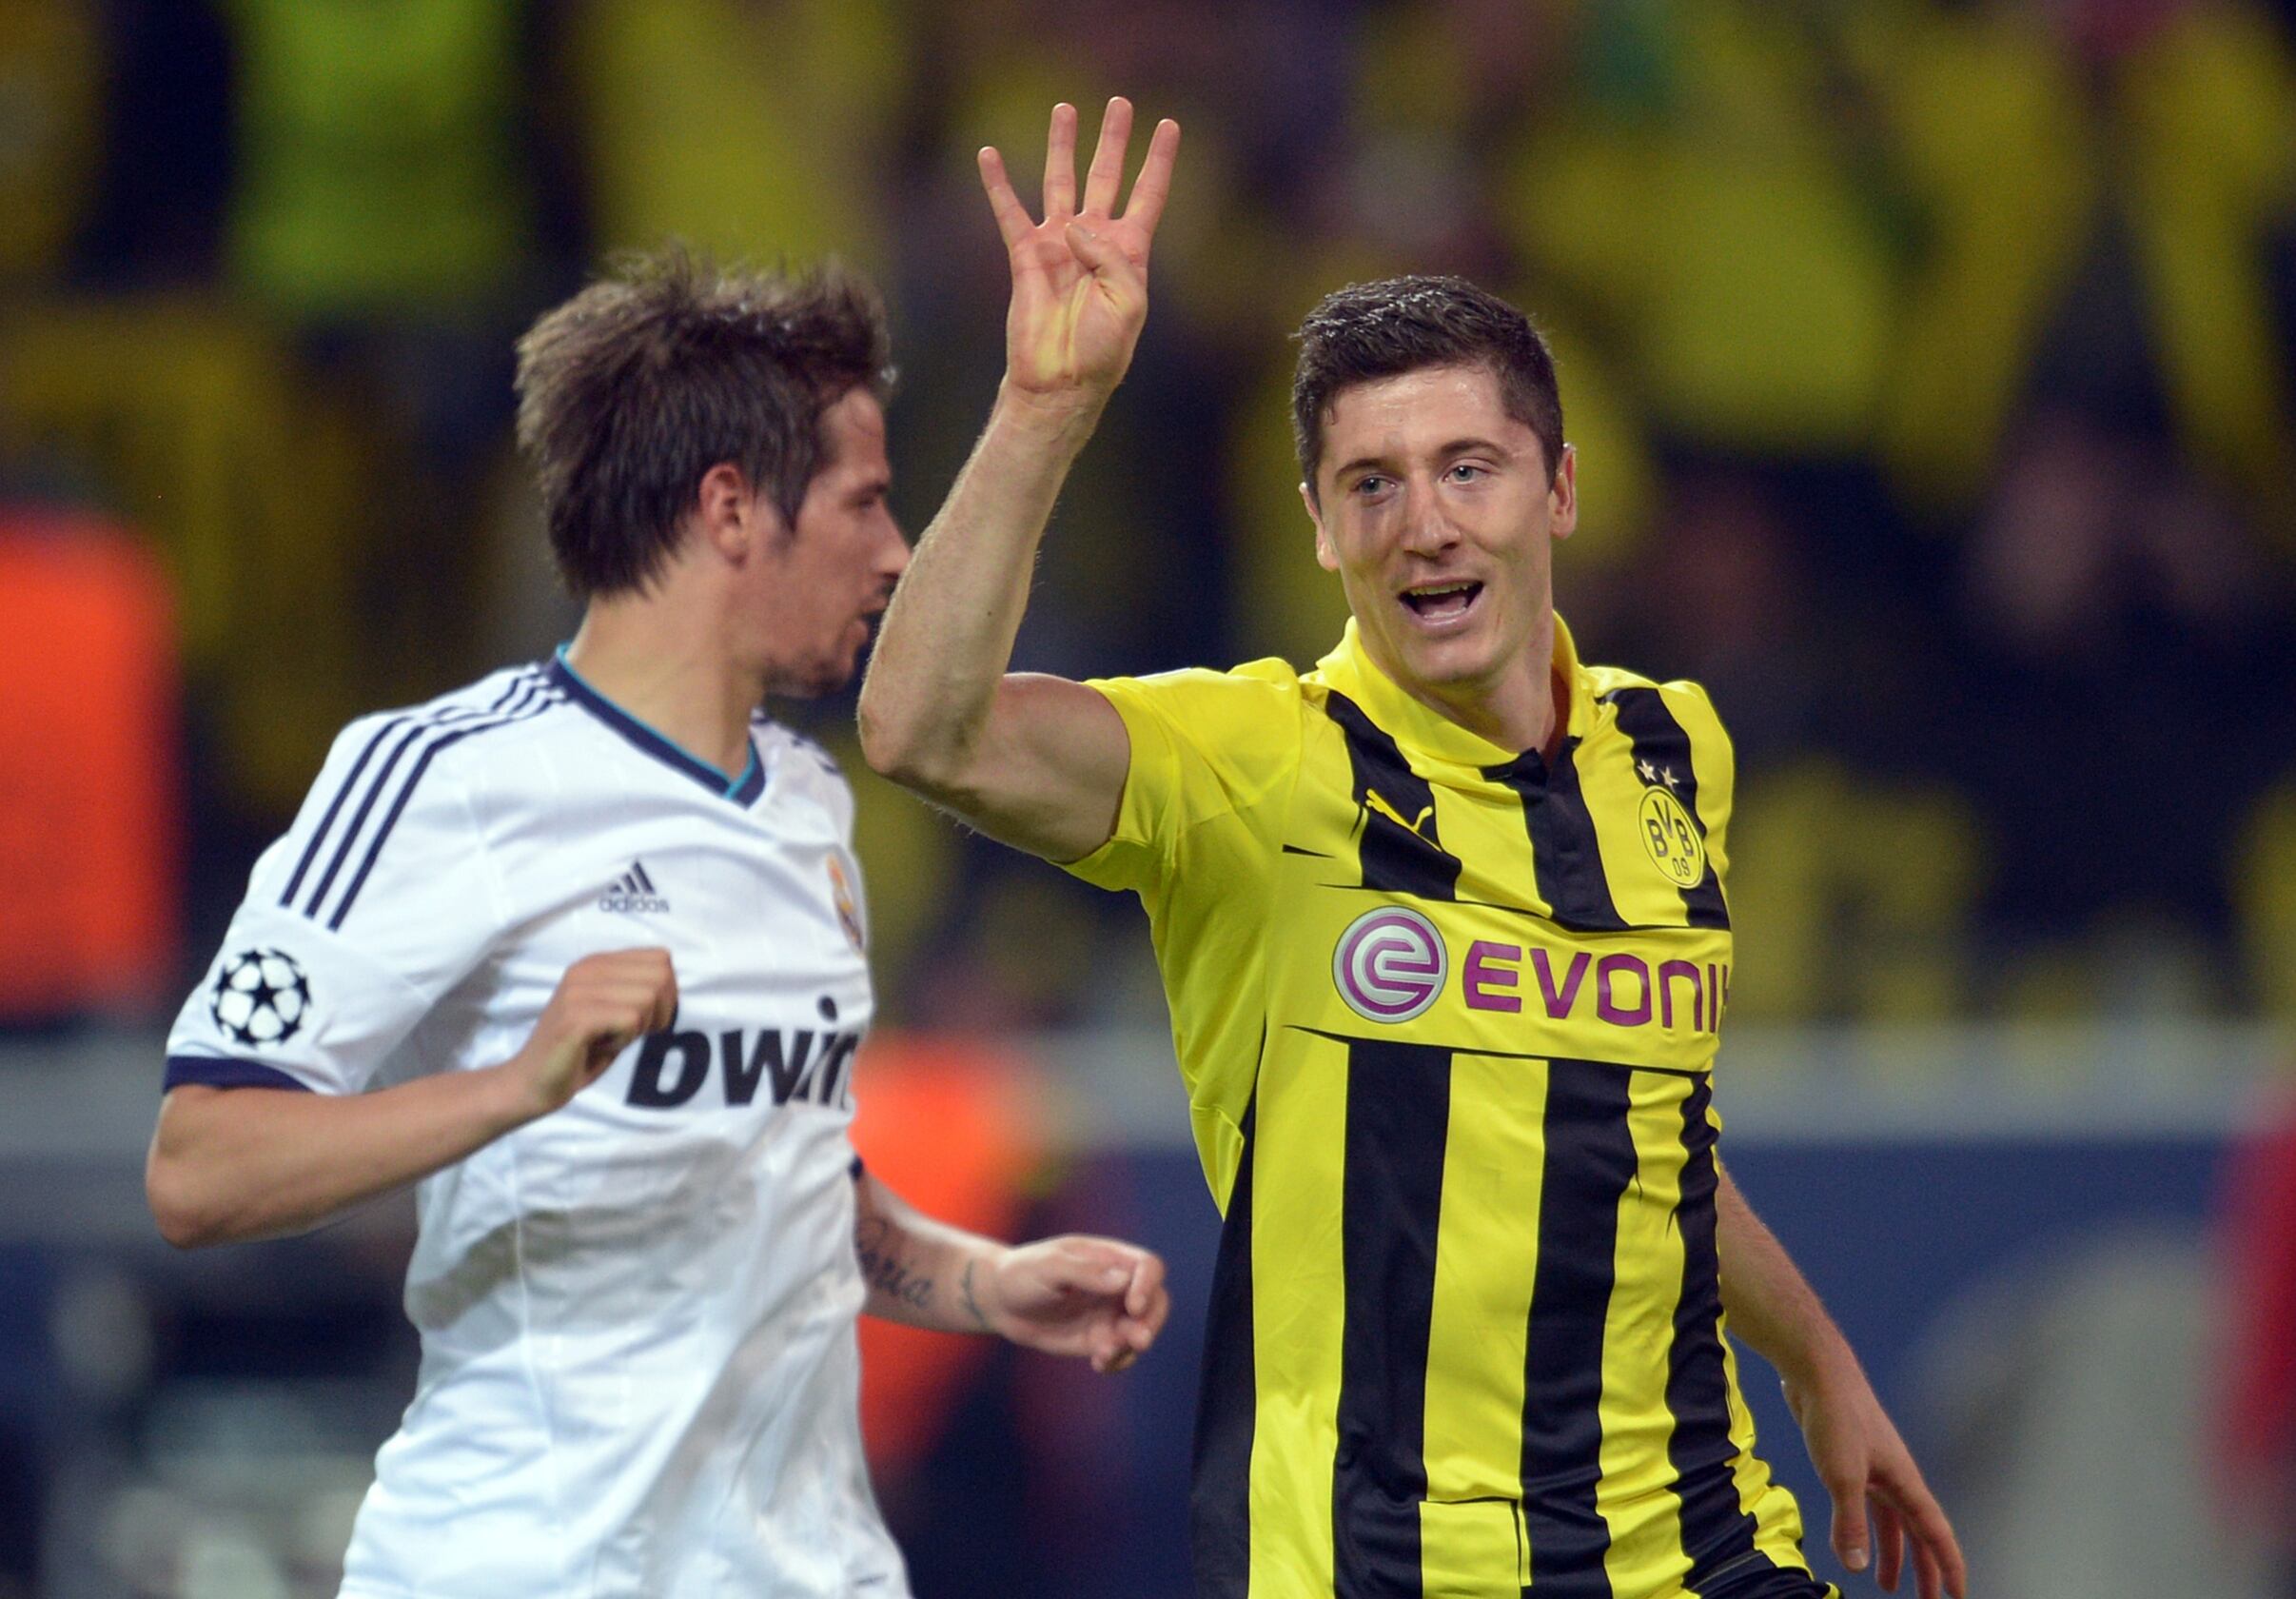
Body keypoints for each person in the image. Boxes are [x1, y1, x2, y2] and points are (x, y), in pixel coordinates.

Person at [859, 98, 1969, 1599]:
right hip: (1379, 1564)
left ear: (1558, 490)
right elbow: (924, 730)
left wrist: (1821, 1359)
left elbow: (1643, 1132)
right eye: (1370, 485)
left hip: (1692, 1545)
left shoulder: (1666, 749)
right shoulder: (1257, 763)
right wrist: (1046, 408)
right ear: (1317, 527)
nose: (1424, 525)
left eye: (1469, 468)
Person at [145, 249, 1170, 1599]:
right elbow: (200, 1166)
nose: (895, 550)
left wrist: (982, 1280)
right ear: (732, 509)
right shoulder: (442, 778)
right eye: (864, 503)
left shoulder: (810, 807)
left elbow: (780, 1170)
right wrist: (515, 1086)